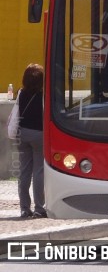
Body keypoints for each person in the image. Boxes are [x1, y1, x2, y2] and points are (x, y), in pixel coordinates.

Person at [16, 63, 46, 219]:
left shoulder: (21, 93)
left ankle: (24, 207)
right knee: (39, 170)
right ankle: (40, 208)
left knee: (24, 171)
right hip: (39, 134)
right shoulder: (44, 94)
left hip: (22, 134)